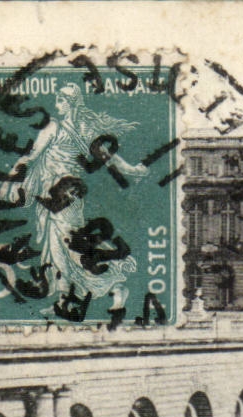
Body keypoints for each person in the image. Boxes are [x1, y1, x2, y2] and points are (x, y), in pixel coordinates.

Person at [9, 84, 150, 316]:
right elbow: (110, 159)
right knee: (62, 249)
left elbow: (32, 155)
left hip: (57, 198)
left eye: (61, 100)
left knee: (62, 248)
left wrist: (15, 175)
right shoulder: (86, 131)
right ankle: (66, 299)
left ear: (71, 102)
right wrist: (133, 170)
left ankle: (114, 286)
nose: (57, 105)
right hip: (67, 198)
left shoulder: (54, 127)